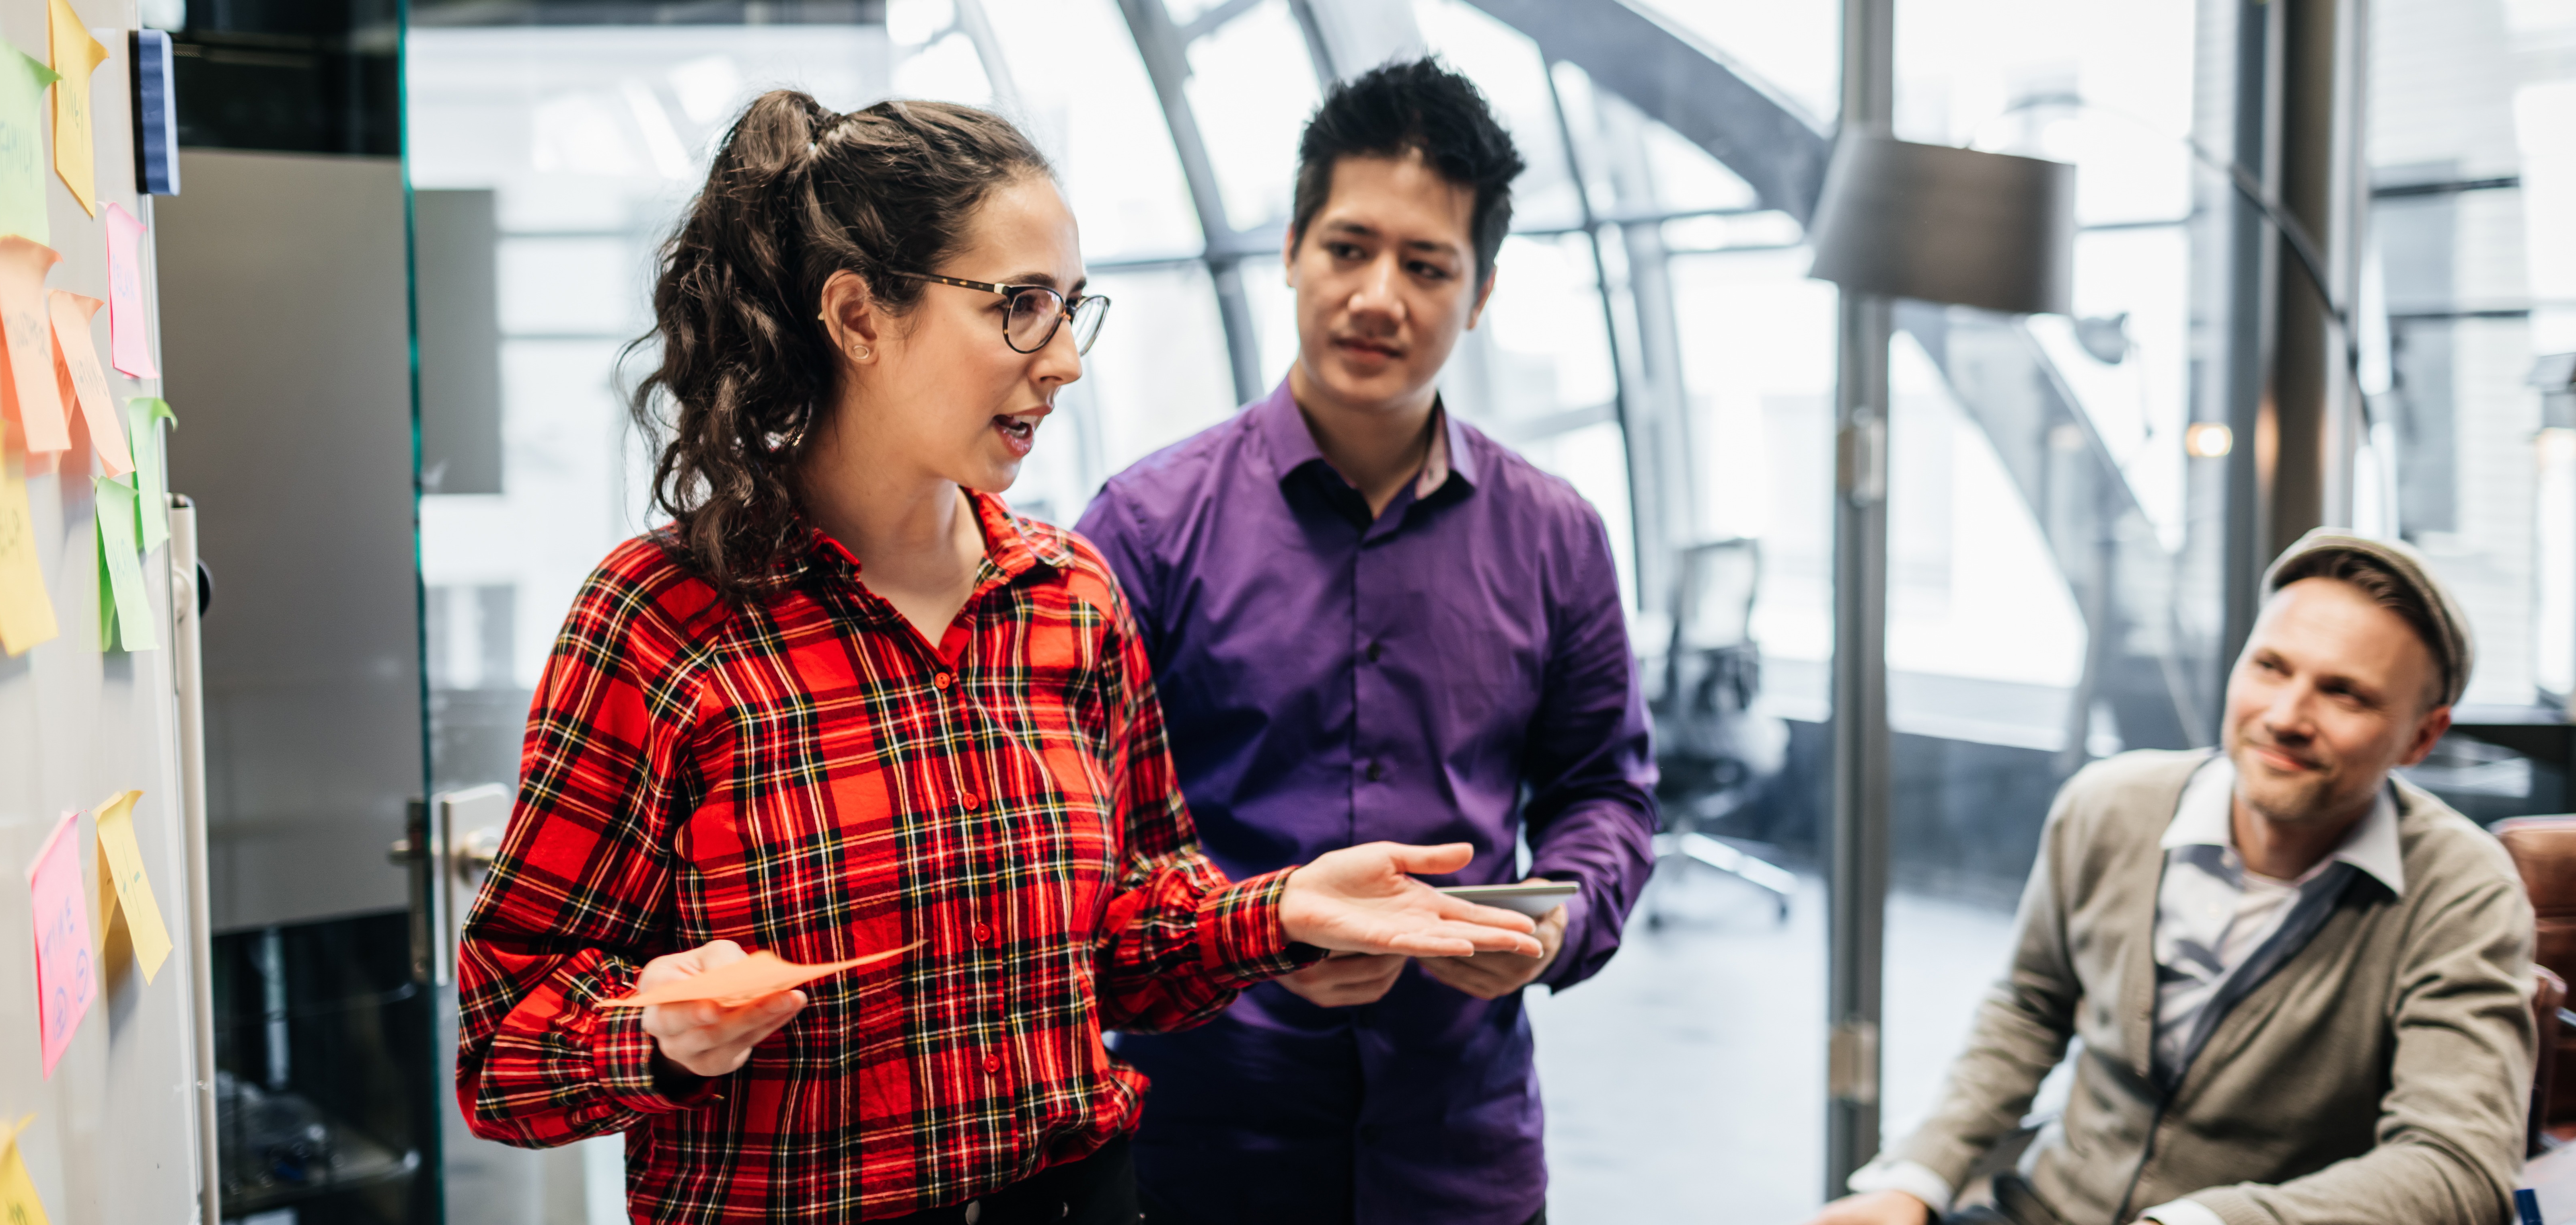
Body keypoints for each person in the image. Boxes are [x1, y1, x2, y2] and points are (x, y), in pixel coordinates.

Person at [452, 90, 1548, 1225]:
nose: (1066, 359)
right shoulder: (661, 622)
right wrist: (656, 1031)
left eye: (1073, 308)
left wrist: (1280, 910)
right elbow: (503, 1047)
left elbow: (1124, 938)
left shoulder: (1069, 597)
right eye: (1022, 307)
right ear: (860, 317)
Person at [1074, 58, 1659, 1225]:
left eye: (1428, 264)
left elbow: (1607, 792)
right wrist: (1254, 932)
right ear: (1293, 247)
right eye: (1349, 248)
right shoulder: (1144, 525)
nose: (1379, 295)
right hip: (1206, 1135)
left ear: (1481, 293)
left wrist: (1553, 927)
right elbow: (1074, 832)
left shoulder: (1557, 533)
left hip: (1463, 1141)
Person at [1806, 530, 2535, 1225]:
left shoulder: (2463, 890)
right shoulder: (2108, 806)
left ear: (2422, 735)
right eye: (2270, 666)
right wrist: (1915, 1177)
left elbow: (2457, 1165)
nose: (2285, 715)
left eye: (2344, 693)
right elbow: (2031, 1006)